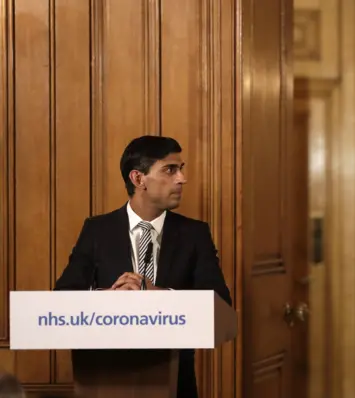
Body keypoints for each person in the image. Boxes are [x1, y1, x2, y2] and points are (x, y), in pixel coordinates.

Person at [54, 135, 232, 398]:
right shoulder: (96, 230)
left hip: (175, 381)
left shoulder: (195, 234)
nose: (182, 178)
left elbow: (221, 304)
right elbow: (63, 297)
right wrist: (110, 297)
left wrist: (158, 293)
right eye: (170, 170)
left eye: (180, 169)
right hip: (106, 378)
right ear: (138, 179)